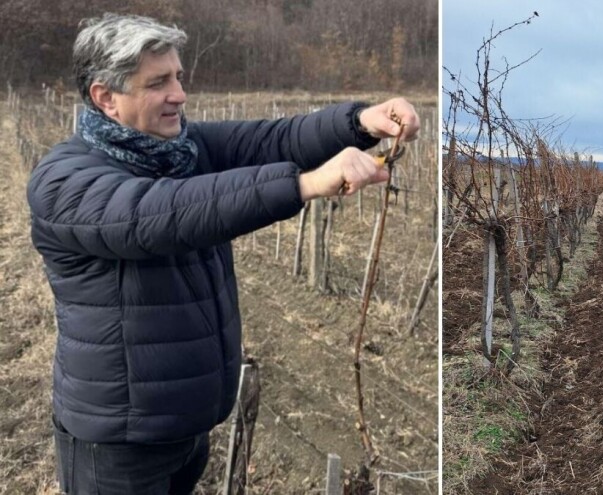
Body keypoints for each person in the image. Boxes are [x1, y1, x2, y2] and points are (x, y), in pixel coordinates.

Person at [27, 13, 420, 495]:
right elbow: (159, 214)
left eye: (178, 77)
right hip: (118, 444)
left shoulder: (178, 150)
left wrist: (360, 122)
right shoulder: (65, 181)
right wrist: (305, 184)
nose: (179, 94)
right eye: (159, 83)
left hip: (186, 427)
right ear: (105, 97)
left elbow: (270, 139)